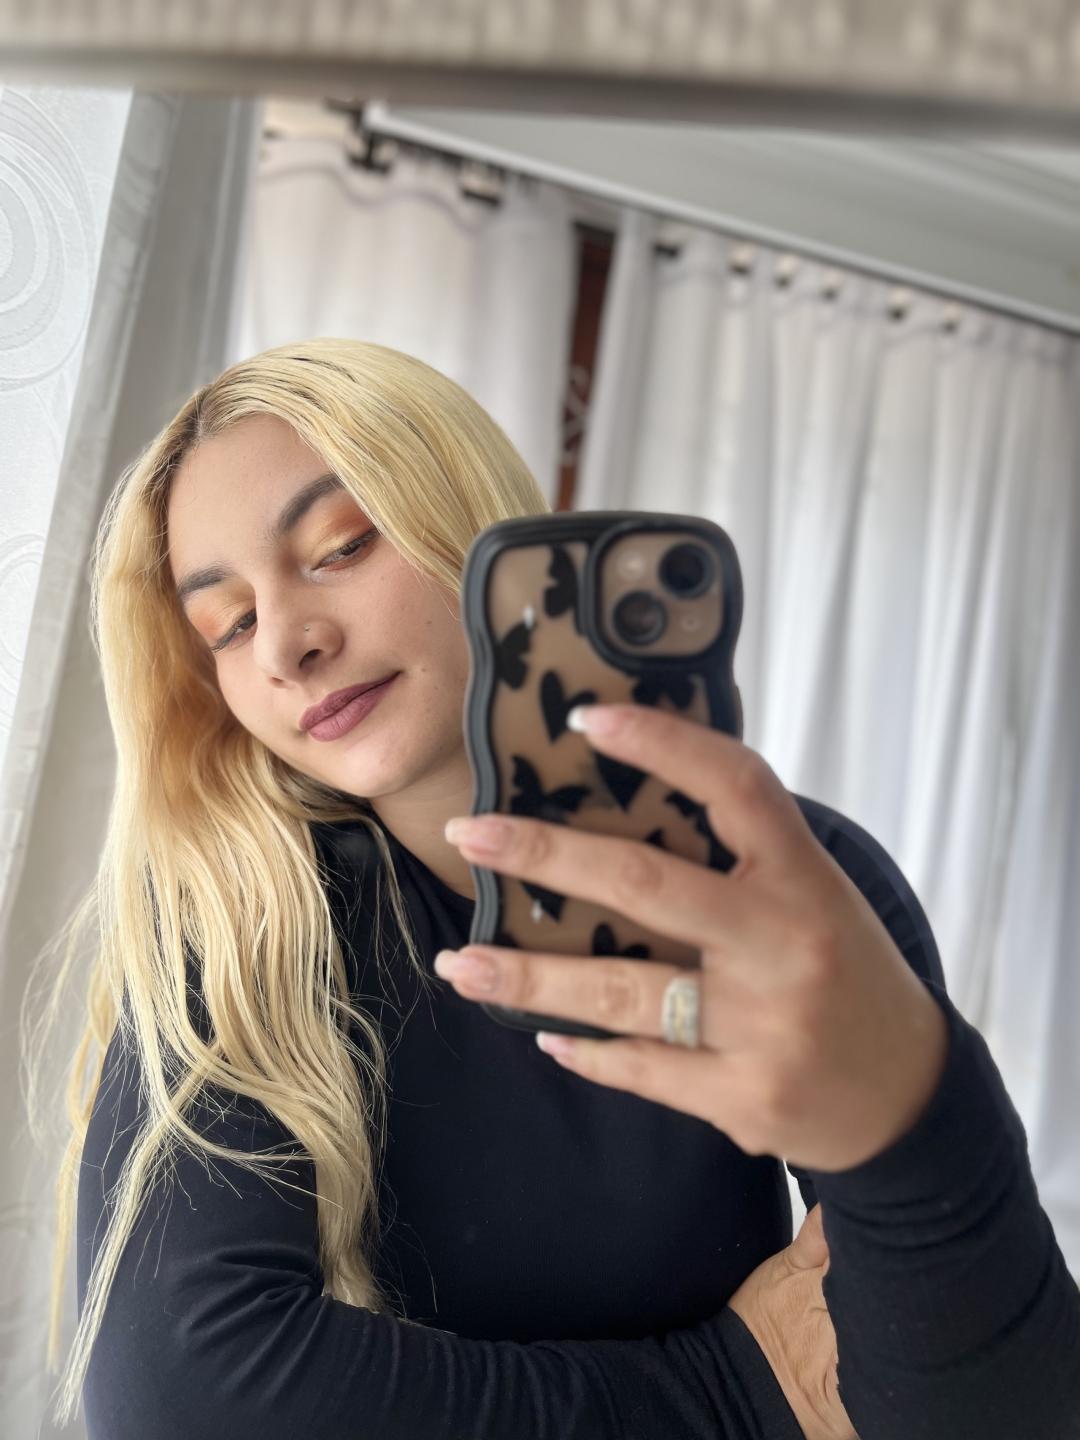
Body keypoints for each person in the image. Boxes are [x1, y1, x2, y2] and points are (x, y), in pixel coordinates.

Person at [39, 337, 1076, 1438]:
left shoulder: (797, 885)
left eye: (340, 546)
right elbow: (179, 1403)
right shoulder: (241, 934)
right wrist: (729, 1389)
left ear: (483, 534)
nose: (285, 645)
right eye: (230, 625)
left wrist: (916, 1123)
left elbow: (997, 1413)